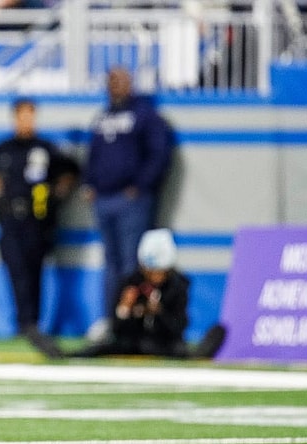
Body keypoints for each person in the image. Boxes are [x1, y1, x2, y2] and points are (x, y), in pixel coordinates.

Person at [82, 66, 174, 342]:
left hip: (130, 200)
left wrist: (140, 187)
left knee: (131, 264)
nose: (114, 85)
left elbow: (159, 154)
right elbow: (95, 154)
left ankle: (132, 323)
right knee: (111, 264)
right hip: (105, 199)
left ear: (130, 83)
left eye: (119, 80)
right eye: (111, 80)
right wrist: (90, 183)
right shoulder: (104, 117)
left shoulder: (145, 116)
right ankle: (112, 319)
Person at [0, 97, 80, 357]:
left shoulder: (47, 148)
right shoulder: (3, 148)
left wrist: (56, 195)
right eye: (22, 115)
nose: (26, 120)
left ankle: (33, 325)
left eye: (30, 115)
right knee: (16, 271)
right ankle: (22, 323)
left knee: (34, 272)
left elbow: (70, 171)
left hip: (37, 221)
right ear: (15, 117)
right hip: (10, 220)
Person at [69, 228, 189, 358]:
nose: (156, 276)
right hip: (133, 342)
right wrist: (124, 308)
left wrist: (159, 312)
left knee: (180, 351)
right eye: (151, 271)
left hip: (164, 343)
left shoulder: (177, 285)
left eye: (160, 271)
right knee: (99, 348)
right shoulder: (131, 283)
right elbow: (117, 329)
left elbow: (179, 326)